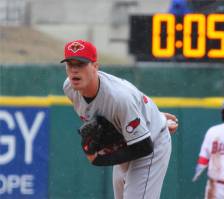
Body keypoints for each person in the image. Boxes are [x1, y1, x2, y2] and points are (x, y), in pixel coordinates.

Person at [61, 39, 178, 199]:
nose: (74, 70)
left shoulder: (118, 98)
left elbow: (144, 146)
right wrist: (151, 115)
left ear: (95, 67)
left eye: (80, 64)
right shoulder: (69, 88)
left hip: (151, 143)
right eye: (70, 64)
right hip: (126, 141)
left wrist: (99, 159)